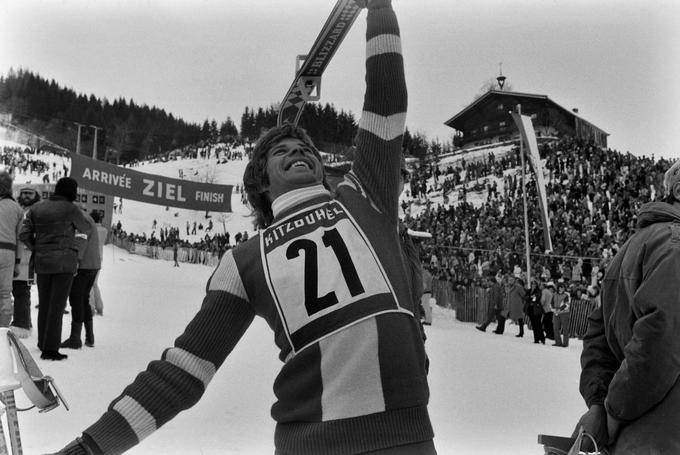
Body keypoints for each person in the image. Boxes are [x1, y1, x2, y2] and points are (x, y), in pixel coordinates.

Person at [52, 2, 435, 454]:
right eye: (281, 151)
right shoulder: (244, 260)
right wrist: (90, 448)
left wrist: (382, 10)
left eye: (304, 147)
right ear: (260, 183)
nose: (298, 151)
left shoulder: (365, 196)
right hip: (312, 442)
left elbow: (385, 107)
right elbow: (185, 370)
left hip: (407, 436)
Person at [571, 160, 680, 453]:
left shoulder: (634, 245)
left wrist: (600, 403)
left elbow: (598, 334)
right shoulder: (675, 246)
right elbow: (661, 338)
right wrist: (613, 409)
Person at [19, 177, 92, 361]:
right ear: (71, 191)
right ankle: (50, 349)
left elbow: (24, 234)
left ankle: (42, 342)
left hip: (42, 262)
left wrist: (37, 248)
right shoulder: (71, 209)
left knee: (44, 303)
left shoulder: (37, 208)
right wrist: (76, 252)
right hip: (64, 262)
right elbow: (86, 229)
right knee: (57, 306)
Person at [61, 207, 101, 349]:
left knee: (76, 299)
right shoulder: (85, 217)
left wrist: (76, 261)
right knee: (83, 299)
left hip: (84, 265)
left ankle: (75, 338)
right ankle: (89, 337)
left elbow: (80, 241)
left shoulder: (80, 218)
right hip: (93, 265)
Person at [9, 187, 41, 338]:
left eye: (30, 193)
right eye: (24, 193)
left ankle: (22, 325)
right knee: (15, 290)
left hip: (27, 258)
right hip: (13, 255)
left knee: (22, 291)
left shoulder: (38, 210)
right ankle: (24, 322)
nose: (26, 196)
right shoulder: (16, 208)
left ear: (36, 195)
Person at [0, 171, 24, 328]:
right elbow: (20, 239)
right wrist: (17, 262)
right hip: (8, 253)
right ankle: (2, 331)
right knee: (5, 293)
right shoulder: (17, 209)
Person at [89, 211, 108, 316]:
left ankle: (91, 307)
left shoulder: (91, 229)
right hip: (99, 259)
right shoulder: (104, 230)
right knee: (95, 283)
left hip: (91, 258)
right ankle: (99, 306)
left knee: (89, 284)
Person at [524, 279, 545, 344]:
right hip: (530, 309)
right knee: (533, 325)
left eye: (535, 284)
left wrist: (530, 297)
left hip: (537, 310)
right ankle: (536, 339)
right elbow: (525, 297)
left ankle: (542, 338)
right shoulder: (529, 290)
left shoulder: (538, 291)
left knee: (538, 325)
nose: (533, 285)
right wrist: (530, 297)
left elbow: (535, 298)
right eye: (532, 284)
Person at [551, 280, 571, 347]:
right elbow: (551, 303)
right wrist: (553, 309)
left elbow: (567, 304)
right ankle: (558, 342)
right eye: (560, 287)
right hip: (556, 313)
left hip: (564, 313)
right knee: (555, 328)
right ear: (558, 288)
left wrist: (560, 309)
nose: (562, 288)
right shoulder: (554, 294)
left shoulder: (566, 295)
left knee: (565, 329)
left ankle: (565, 343)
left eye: (563, 287)